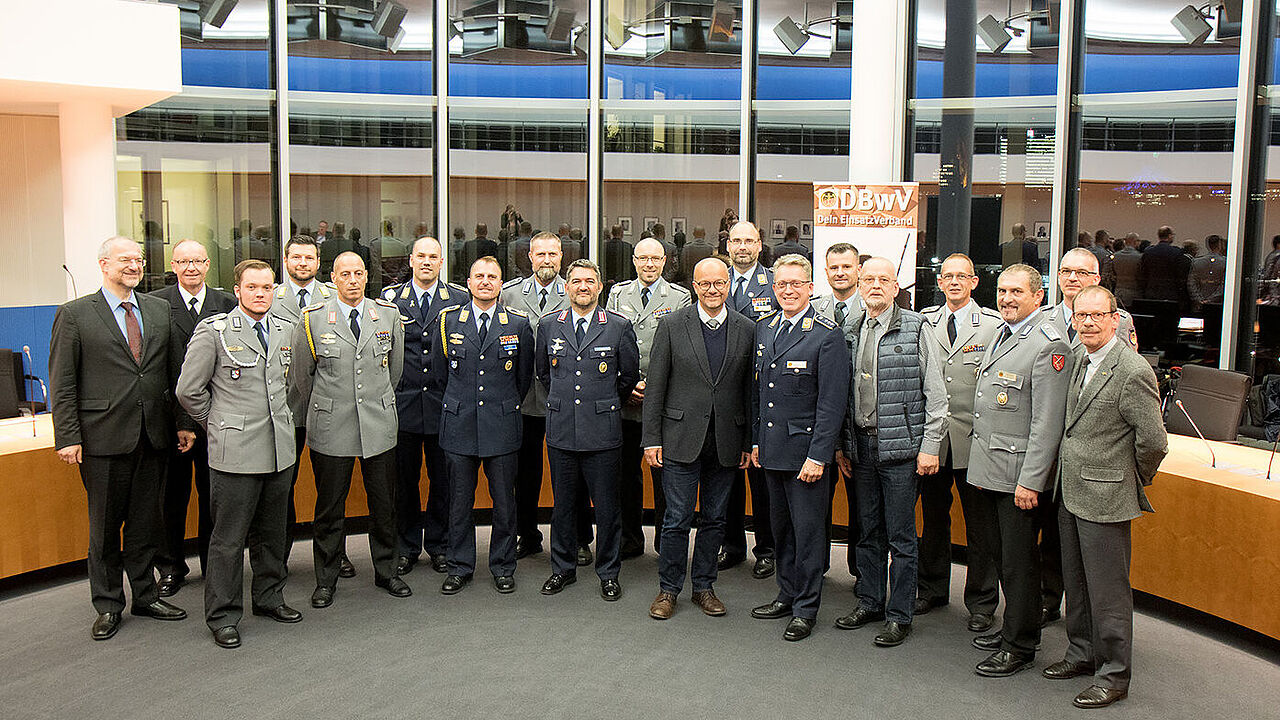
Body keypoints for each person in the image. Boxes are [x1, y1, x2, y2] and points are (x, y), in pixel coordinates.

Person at [50, 236, 190, 640]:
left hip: (154, 435)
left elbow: (175, 372)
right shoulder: (75, 314)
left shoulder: (158, 310)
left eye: (139, 259)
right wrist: (68, 436)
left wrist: (182, 422)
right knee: (106, 528)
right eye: (125, 259)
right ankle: (109, 604)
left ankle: (145, 596)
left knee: (146, 524)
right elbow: (63, 381)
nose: (134, 265)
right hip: (102, 438)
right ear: (103, 264)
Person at [1046, 285, 1167, 709]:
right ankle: (1081, 653)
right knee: (1076, 583)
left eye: (1098, 315)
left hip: (1107, 495)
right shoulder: (1080, 357)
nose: (1089, 323)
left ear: (1115, 320)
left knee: (1108, 592)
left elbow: (1154, 441)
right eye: (1081, 316)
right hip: (1070, 490)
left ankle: (1114, 674)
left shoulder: (1132, 370)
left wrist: (1129, 479)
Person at [176, 260, 302, 649]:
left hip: (279, 449)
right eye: (252, 287)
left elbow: (291, 384)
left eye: (267, 287)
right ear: (238, 290)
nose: (260, 294)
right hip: (235, 452)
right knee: (228, 540)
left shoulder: (285, 328)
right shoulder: (214, 331)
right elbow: (188, 390)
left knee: (273, 533)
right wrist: (217, 423)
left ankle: (269, 597)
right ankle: (223, 615)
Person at [832, 257, 947, 648]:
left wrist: (930, 447)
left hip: (901, 451)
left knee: (901, 538)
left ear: (897, 287)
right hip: (861, 447)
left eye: (884, 279)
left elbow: (937, 395)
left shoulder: (917, 328)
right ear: (860, 285)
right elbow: (842, 395)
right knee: (867, 532)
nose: (875, 285)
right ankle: (869, 601)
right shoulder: (850, 329)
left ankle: (899, 615)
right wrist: (841, 445)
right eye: (869, 279)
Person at [967, 263, 1074, 678]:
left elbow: (1047, 424)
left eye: (1016, 292)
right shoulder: (1003, 332)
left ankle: (1020, 645)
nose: (1007, 299)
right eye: (1002, 291)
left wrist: (1031, 481)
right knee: (1001, 557)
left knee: (1019, 563)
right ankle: (1016, 626)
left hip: (1018, 478)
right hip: (990, 470)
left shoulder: (1049, 345)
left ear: (1038, 296)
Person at [290, 252, 410, 608]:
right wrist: (330, 403)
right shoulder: (313, 318)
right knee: (330, 509)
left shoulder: (386, 314)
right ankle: (326, 580)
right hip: (332, 425)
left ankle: (387, 571)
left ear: (367, 276)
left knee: (384, 505)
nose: (353, 280)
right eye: (345, 274)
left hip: (378, 424)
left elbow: (394, 371)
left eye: (358, 273)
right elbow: (302, 377)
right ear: (334, 278)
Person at [642, 257, 754, 620]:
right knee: (676, 519)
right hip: (679, 439)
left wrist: (747, 442)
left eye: (719, 283)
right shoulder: (673, 325)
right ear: (694, 286)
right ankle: (668, 589)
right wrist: (651, 439)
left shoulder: (746, 328)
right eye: (705, 283)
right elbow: (656, 386)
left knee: (715, 519)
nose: (712, 290)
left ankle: (704, 586)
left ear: (728, 285)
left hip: (726, 441)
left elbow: (749, 392)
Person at [748, 254, 851, 642]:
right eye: (781, 284)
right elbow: (760, 392)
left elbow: (831, 404)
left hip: (806, 455)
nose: (788, 291)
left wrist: (818, 456)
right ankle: (786, 594)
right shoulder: (765, 327)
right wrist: (756, 442)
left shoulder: (826, 335)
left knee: (808, 535)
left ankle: (806, 607)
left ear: (810, 288)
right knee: (781, 530)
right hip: (773, 450)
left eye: (795, 284)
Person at [535, 259, 641, 601]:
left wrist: (605, 402)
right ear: (567, 287)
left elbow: (628, 376)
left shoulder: (618, 326)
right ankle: (562, 569)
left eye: (589, 281)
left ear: (599, 287)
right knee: (563, 506)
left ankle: (608, 573)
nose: (583, 287)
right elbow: (544, 373)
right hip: (562, 430)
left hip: (603, 432)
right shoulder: (549, 325)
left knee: (608, 509)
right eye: (577, 281)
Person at [433, 257, 534, 595]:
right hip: (459, 424)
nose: (486, 281)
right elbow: (440, 375)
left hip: (501, 425)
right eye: (479, 276)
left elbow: (522, 378)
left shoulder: (517, 324)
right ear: (468, 282)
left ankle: (503, 566)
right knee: (459, 502)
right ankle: (459, 566)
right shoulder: (448, 321)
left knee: (504, 503)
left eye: (492, 277)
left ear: (501, 284)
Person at [915, 253, 1003, 631]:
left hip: (974, 441)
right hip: (934, 441)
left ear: (974, 282)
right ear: (939, 282)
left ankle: (982, 602)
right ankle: (931, 588)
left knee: (980, 526)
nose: (954, 282)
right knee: (933, 518)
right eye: (947, 276)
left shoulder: (993, 326)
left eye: (961, 276)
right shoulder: (924, 321)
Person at [149, 239, 236, 598]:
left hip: (218, 418)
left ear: (208, 264)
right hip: (171, 420)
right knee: (172, 497)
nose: (191, 268)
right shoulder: (155, 305)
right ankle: (170, 567)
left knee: (214, 497)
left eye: (197, 261)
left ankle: (212, 564)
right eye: (184, 262)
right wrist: (183, 420)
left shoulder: (227, 304)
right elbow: (157, 367)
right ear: (173, 265)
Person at [501, 233, 594, 564]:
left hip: (566, 398)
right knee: (525, 473)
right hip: (524, 398)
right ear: (529, 257)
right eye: (540, 254)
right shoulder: (509, 293)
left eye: (553, 254)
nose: (547, 260)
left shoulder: (574, 290)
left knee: (573, 475)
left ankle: (580, 538)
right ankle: (527, 535)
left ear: (561, 257)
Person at [382, 237, 469, 577]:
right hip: (403, 403)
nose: (427, 262)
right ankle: (405, 547)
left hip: (441, 403)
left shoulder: (458, 299)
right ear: (411, 260)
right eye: (421, 256)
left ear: (442, 261)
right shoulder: (391, 300)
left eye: (433, 256)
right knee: (403, 482)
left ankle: (439, 544)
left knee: (442, 481)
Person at [268, 236, 354, 578]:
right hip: (284, 408)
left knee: (331, 490)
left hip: (326, 409)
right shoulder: (270, 296)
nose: (302, 263)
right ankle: (278, 557)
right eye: (296, 257)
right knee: (280, 488)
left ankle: (335, 554)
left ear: (319, 263)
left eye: (309, 258)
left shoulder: (334, 296)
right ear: (286, 259)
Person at [605, 238, 692, 558]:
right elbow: (609, 342)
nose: (649, 264)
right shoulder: (618, 294)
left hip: (662, 404)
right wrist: (626, 386)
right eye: (643, 258)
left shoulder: (680, 297)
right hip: (625, 401)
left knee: (665, 478)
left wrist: (651, 388)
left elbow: (682, 353)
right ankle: (629, 539)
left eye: (655, 259)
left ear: (665, 261)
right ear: (634, 260)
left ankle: (665, 543)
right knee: (625, 475)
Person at [721, 221, 779, 579]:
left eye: (749, 241)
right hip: (725, 393)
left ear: (759, 245)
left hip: (762, 392)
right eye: (736, 241)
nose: (742, 246)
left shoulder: (774, 284)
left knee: (761, 480)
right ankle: (731, 545)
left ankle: (766, 549)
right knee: (727, 476)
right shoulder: (716, 280)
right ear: (728, 246)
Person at [1137, 226, 1191, 311]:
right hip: (1171, 293)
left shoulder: (1148, 252)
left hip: (1151, 291)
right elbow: (1180, 275)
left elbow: (1143, 272)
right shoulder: (1177, 252)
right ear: (1169, 236)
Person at [810, 242, 861, 325]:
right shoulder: (812, 308)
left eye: (846, 267)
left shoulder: (871, 307)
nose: (840, 273)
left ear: (858, 270)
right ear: (827, 272)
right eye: (834, 268)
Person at [1188, 235, 1227, 311]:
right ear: (1219, 245)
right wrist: (1211, 299)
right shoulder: (1225, 262)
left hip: (1200, 301)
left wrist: (1198, 298)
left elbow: (1191, 283)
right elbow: (1224, 284)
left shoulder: (1196, 261)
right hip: (1218, 303)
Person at [1112, 233, 1142, 309]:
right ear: (1135, 242)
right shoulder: (1139, 257)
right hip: (1134, 292)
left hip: (1118, 291)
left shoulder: (1116, 256)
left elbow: (1111, 275)